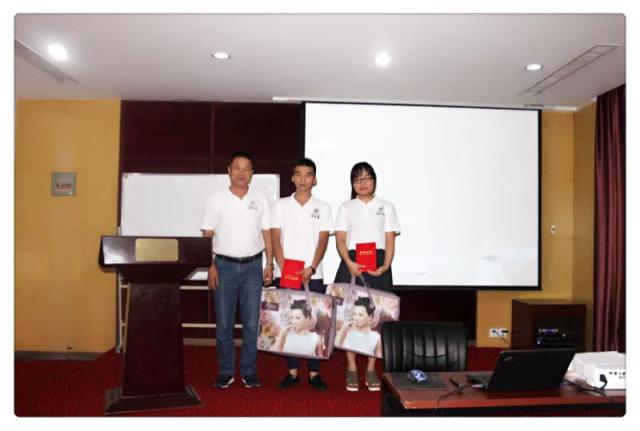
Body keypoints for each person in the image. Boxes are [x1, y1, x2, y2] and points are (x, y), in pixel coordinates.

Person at [201, 150, 273, 389]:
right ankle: (226, 371)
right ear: (229, 171)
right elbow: (207, 235)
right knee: (224, 324)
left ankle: (249, 371)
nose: (241, 173)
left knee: (252, 324)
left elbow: (267, 233)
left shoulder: (260, 199)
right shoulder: (216, 199)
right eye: (237, 168)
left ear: (252, 173)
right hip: (224, 267)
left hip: (253, 267)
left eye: (246, 168)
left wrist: (269, 263)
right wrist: (210, 265)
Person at [334, 161, 400, 392]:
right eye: (357, 179)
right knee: (350, 314)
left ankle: (371, 367)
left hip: (378, 263)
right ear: (352, 183)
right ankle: (351, 367)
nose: (362, 183)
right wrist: (349, 262)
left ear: (374, 180)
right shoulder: (346, 207)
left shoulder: (387, 207)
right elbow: (340, 240)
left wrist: (385, 266)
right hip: (351, 262)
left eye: (367, 178)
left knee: (377, 316)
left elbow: (390, 241)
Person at [271, 157, 332, 391]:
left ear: (314, 180)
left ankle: (314, 373)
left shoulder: (323, 207)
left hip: (313, 275)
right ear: (292, 178)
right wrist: (283, 266)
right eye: (299, 174)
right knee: (290, 321)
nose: (303, 179)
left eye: (308, 175)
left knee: (314, 322)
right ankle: (292, 371)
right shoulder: (280, 205)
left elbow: (323, 241)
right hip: (285, 273)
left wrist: (312, 267)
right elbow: (275, 237)